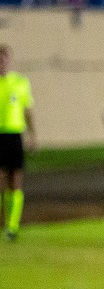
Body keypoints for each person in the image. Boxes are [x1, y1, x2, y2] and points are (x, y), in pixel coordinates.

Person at [0, 45, 36, 242]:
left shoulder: (20, 82)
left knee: (16, 180)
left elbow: (27, 110)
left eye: (4, 58)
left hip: (14, 135)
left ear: (9, 60)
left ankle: (12, 227)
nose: (1, 62)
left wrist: (32, 135)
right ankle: (4, 223)